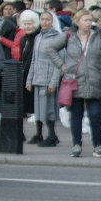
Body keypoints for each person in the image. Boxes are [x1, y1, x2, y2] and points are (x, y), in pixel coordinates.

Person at [59, 10, 101, 157]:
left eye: (90, 20)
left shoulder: (100, 35)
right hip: (75, 80)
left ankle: (97, 146)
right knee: (76, 115)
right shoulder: (69, 35)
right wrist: (61, 65)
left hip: (94, 80)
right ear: (77, 22)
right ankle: (76, 145)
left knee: (95, 115)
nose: (88, 23)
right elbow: (50, 48)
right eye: (85, 20)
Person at [27, 10, 66, 146]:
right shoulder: (38, 37)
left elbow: (59, 62)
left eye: (47, 19)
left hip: (49, 78)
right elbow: (34, 59)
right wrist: (29, 79)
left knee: (49, 108)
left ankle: (52, 135)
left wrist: (53, 82)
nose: (44, 22)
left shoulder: (57, 38)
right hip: (38, 77)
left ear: (52, 22)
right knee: (38, 108)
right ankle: (38, 134)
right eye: (42, 19)